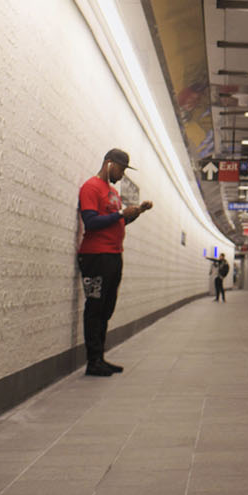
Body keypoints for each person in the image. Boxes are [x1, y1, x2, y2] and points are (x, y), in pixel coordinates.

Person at [77, 148, 152, 377]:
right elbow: (90, 222)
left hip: (113, 256)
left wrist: (133, 214)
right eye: (120, 169)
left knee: (107, 308)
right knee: (95, 306)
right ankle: (92, 361)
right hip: (95, 257)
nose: (121, 175)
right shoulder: (90, 187)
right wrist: (121, 214)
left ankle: (100, 357)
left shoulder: (112, 192)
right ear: (109, 163)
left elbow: (114, 224)